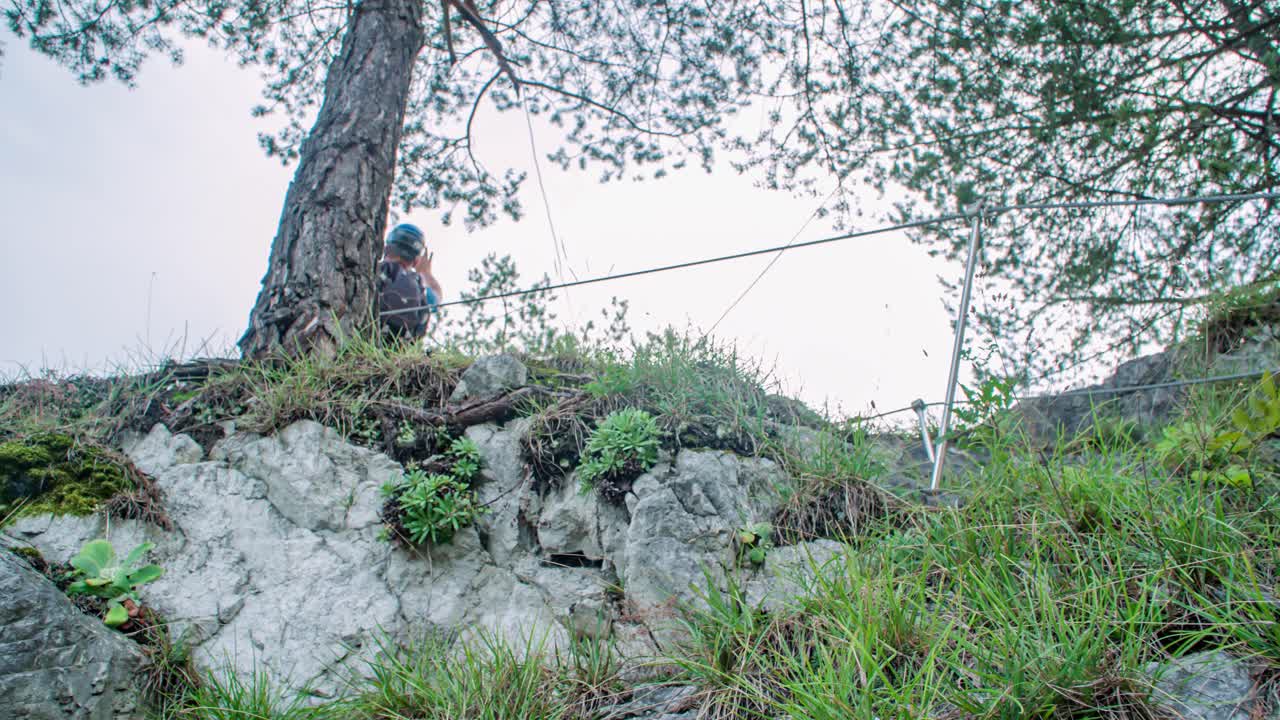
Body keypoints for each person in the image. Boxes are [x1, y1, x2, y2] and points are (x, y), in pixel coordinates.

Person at [377, 223, 443, 342]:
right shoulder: (419, 287)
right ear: (416, 261)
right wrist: (425, 272)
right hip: (396, 354)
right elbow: (437, 298)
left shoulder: (370, 271)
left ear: (386, 248)